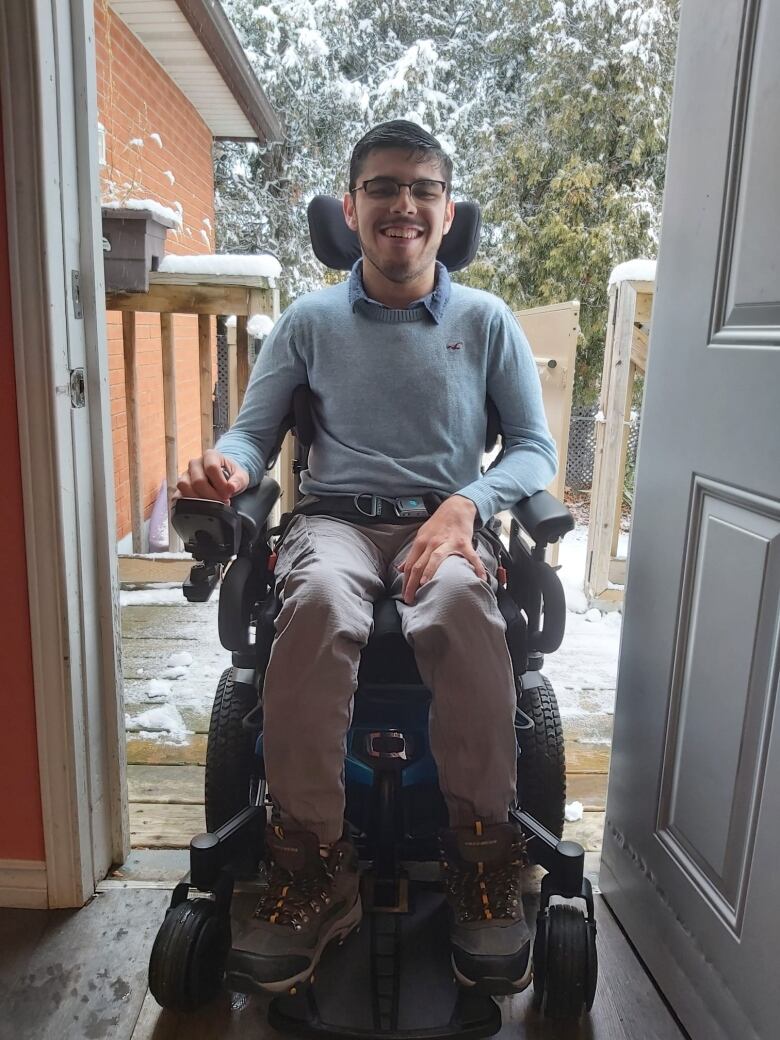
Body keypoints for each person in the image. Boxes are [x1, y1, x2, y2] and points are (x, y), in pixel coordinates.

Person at [177, 120, 557, 995]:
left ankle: (480, 856)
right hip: (335, 520)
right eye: (382, 188)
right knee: (311, 608)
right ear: (349, 210)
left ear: (447, 210)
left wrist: (469, 503)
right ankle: (313, 862)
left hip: (445, 524)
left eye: (423, 189)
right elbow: (251, 428)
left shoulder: (485, 320)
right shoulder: (311, 322)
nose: (403, 207)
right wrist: (229, 462)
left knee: (464, 608)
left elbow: (535, 449)